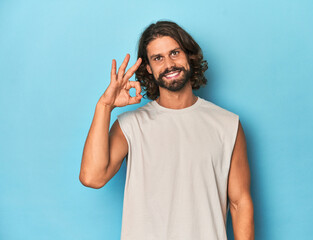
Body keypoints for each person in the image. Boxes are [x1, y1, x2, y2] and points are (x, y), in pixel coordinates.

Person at [79, 20, 254, 240]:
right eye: (158, 58)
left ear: (189, 56)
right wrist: (105, 106)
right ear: (149, 69)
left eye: (174, 53)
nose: (169, 64)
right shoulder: (130, 126)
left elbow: (240, 203)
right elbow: (92, 178)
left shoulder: (227, 124)